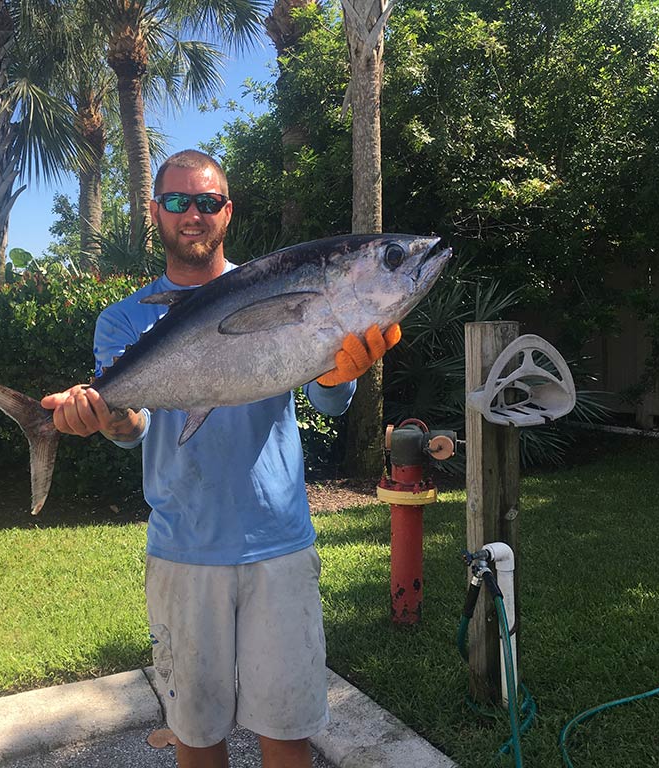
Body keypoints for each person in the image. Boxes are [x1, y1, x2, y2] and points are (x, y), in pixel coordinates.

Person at [40, 150, 398, 768]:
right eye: (178, 202)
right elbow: (132, 424)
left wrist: (346, 370)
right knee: (196, 734)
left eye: (207, 202)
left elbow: (328, 399)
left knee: (287, 730)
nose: (193, 215)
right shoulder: (124, 319)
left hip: (279, 544)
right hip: (185, 549)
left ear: (226, 212)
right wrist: (101, 415)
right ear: (156, 212)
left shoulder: (276, 282)